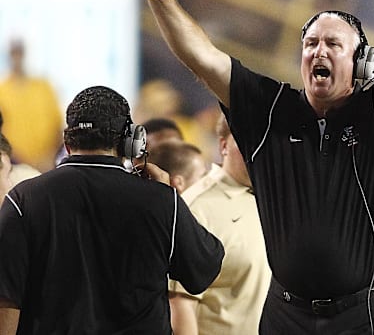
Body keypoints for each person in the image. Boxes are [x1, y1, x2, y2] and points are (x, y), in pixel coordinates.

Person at [131, 0, 374, 334]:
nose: (319, 50)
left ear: (362, 63)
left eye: (333, 44)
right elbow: (202, 57)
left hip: (367, 314)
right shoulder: (270, 108)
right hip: (287, 316)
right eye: (311, 43)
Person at [0, 86, 224, 334]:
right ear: (131, 142)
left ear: (66, 140)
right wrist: (170, 201)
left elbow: (7, 298)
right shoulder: (161, 200)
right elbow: (204, 270)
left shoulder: (23, 200)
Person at [168, 113, 270, 335]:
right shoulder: (196, 208)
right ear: (223, 145)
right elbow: (180, 305)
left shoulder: (277, 200)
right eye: (246, 141)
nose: (257, 150)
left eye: (264, 141)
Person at [0, 38, 63, 172]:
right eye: (13, 53)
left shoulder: (43, 87)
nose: (17, 57)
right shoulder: (2, 90)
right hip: (13, 167)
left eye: (19, 52)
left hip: (47, 165)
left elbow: (58, 125)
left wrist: (50, 157)